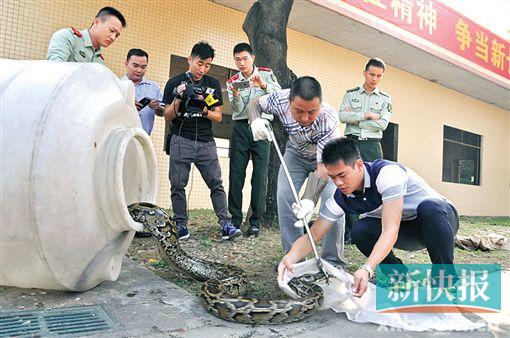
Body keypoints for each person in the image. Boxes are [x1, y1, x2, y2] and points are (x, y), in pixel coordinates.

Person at [279, 137, 459, 298]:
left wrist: (367, 268)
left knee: (430, 208)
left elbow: (390, 230)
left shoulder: (387, 174)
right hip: (407, 232)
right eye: (333, 178)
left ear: (358, 165)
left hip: (438, 222)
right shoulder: (341, 197)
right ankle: (399, 277)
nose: (338, 183)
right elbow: (314, 235)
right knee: (361, 230)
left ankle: (446, 283)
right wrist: (290, 258)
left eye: (342, 175)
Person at [247, 76, 344, 267]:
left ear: (320, 105)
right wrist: (255, 120)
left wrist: (309, 199)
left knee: (334, 202)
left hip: (327, 160)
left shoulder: (328, 119)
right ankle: (295, 258)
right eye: (298, 111)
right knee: (284, 195)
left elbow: (322, 168)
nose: (305, 118)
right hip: (296, 152)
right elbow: (254, 103)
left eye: (311, 112)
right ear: (289, 101)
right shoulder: (279, 99)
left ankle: (333, 262)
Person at [162, 41, 240, 241]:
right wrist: (179, 98)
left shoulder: (212, 85)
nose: (202, 69)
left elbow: (218, 116)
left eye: (207, 65)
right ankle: (181, 225)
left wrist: (205, 110)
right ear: (190, 59)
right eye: (199, 63)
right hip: (181, 138)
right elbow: (167, 116)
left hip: (206, 141)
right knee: (177, 184)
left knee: (216, 183)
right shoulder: (174, 82)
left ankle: (226, 224)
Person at [226, 43, 281, 236]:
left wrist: (263, 85)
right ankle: (234, 219)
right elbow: (237, 109)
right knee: (236, 174)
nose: (241, 63)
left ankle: (255, 221)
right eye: (237, 59)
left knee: (260, 176)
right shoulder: (233, 81)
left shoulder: (266, 74)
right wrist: (235, 94)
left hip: (262, 126)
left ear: (253, 58)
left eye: (244, 58)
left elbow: (278, 96)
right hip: (241, 127)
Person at [339, 58, 392, 244]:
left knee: (375, 186)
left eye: (379, 76)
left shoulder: (385, 98)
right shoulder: (351, 94)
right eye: (372, 74)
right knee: (348, 185)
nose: (375, 79)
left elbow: (383, 124)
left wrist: (355, 118)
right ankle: (351, 232)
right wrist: (367, 115)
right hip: (352, 143)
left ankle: (372, 231)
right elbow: (342, 116)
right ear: (364, 73)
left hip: (372, 145)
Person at [46, 6, 126, 63]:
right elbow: (54, 68)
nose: (113, 37)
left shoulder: (99, 60)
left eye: (117, 35)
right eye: (111, 30)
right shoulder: (68, 36)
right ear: (96, 23)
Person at [121, 48, 163, 135]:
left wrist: (157, 107)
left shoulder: (154, 87)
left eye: (143, 67)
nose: (139, 70)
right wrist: (128, 107)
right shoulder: (117, 86)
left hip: (144, 140)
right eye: (135, 66)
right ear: (126, 64)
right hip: (121, 138)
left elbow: (163, 112)